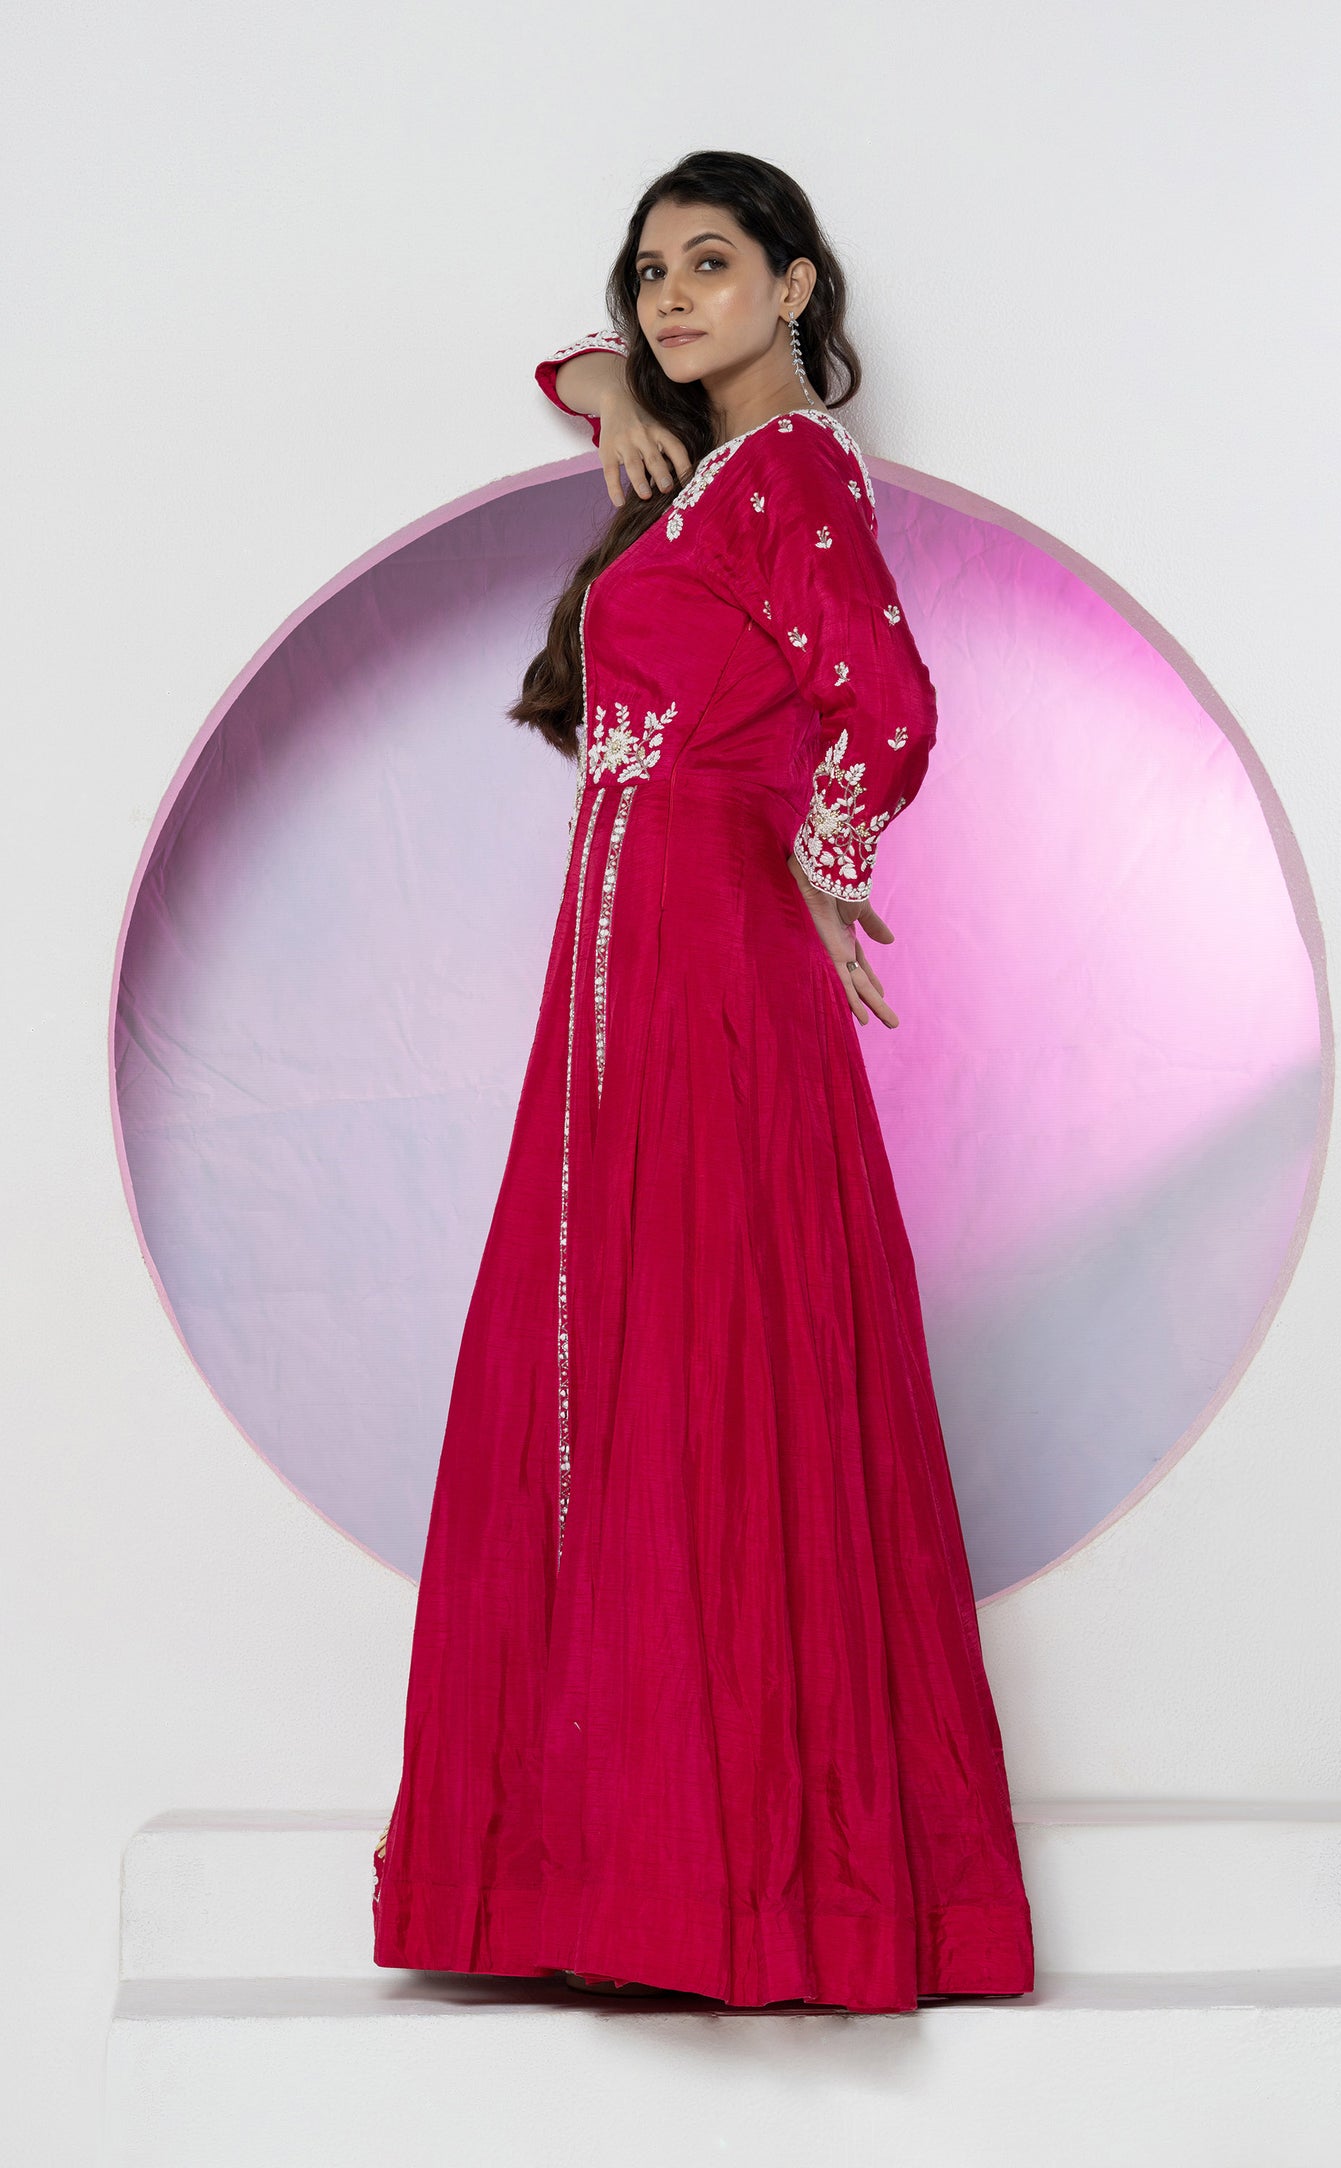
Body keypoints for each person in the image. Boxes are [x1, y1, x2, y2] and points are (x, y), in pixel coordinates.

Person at [372, 149, 1035, 2015]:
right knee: (614, 1363)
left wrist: (823, 861)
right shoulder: (708, 472)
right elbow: (571, 366)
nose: (669, 296)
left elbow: (890, 707)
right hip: (620, 957)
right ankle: (614, 1865)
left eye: (711, 263)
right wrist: (606, 387)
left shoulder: (795, 472)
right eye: (649, 270)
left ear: (796, 287)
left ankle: (733, 1888)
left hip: (705, 949)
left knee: (705, 1363)